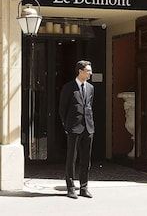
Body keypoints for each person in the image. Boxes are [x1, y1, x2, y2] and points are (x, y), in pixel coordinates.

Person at [58, 59, 95, 199]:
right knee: (71, 158)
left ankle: (84, 188)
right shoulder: (68, 87)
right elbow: (62, 108)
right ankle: (71, 188)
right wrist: (66, 125)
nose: (90, 73)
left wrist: (90, 124)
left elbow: (89, 106)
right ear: (80, 71)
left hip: (88, 128)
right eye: (88, 71)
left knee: (86, 159)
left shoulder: (90, 88)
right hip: (74, 127)